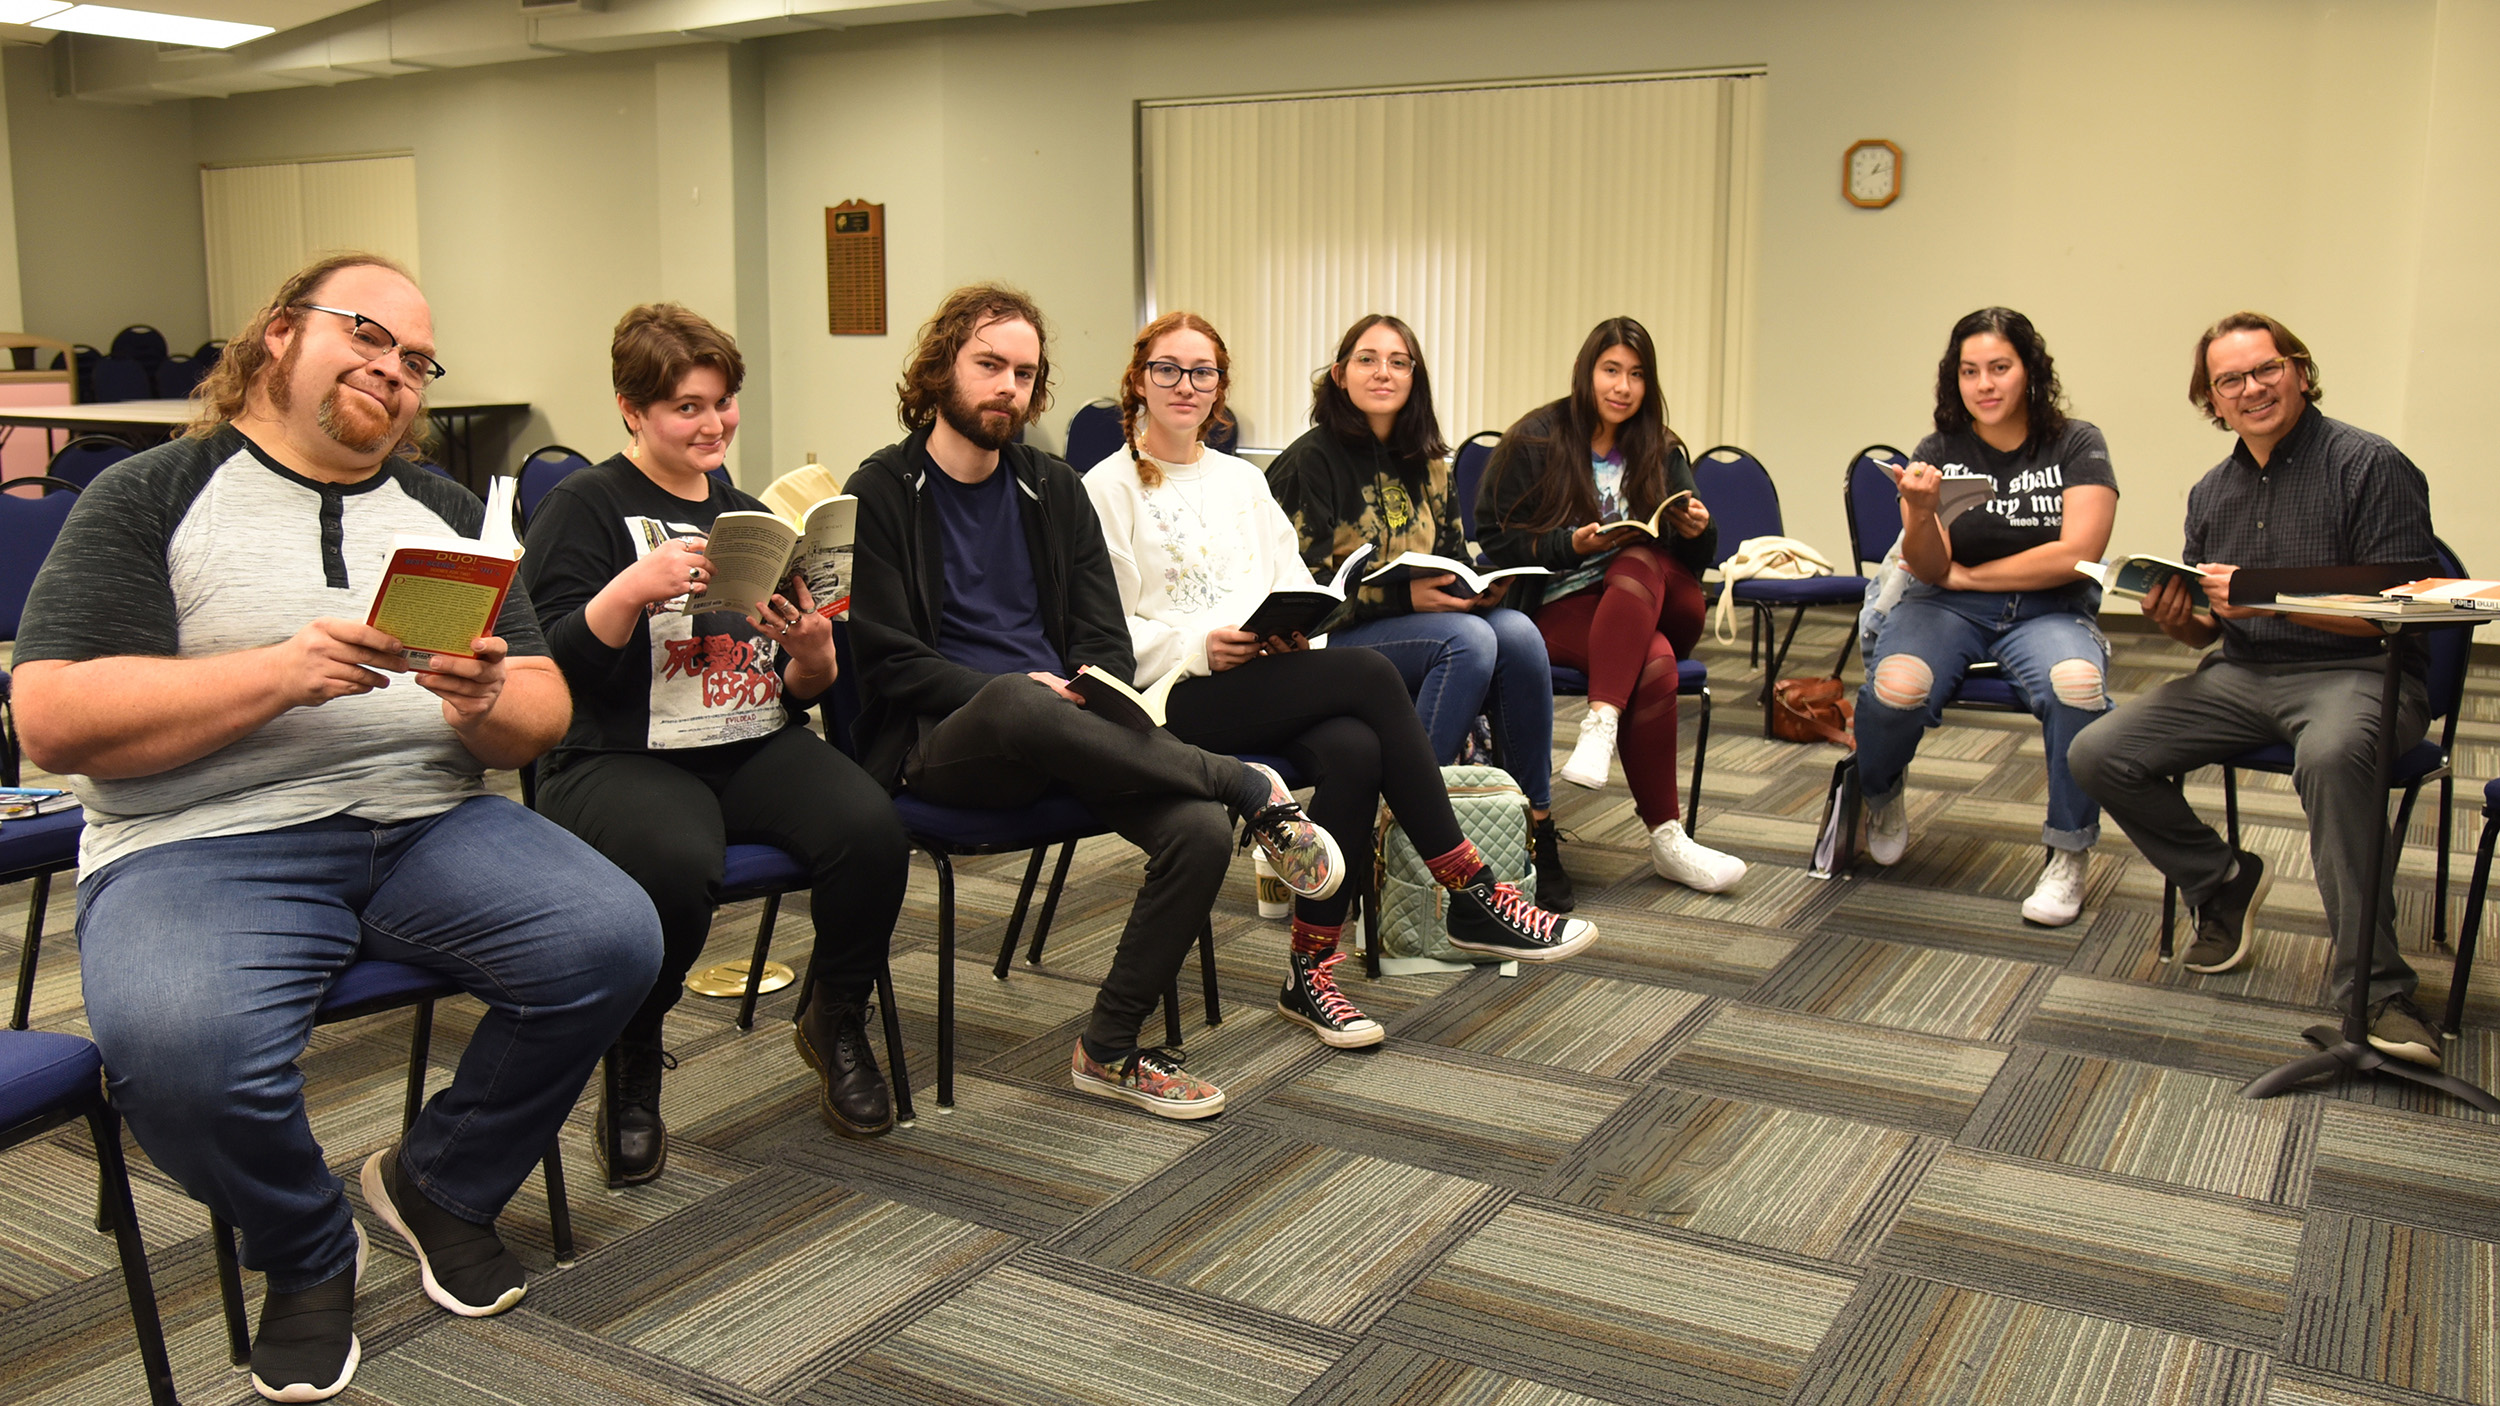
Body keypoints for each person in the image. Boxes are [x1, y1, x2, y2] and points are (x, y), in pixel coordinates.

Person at [9, 253, 662, 1403]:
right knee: (182, 1054)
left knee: (613, 937)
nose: (396, 371)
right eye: (368, 333)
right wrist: (275, 674)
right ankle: (306, 1246)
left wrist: (482, 697)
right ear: (277, 333)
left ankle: (439, 1182)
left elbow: (544, 709)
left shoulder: (447, 512)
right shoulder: (152, 493)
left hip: (425, 823)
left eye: (417, 359)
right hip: (201, 842)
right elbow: (52, 717)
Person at [847, 285, 1345, 1121]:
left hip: (1070, 733)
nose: (1008, 386)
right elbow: (890, 661)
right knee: (1016, 699)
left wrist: (1084, 688)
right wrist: (1026, 693)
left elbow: (1104, 639)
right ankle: (1241, 782)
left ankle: (1108, 1048)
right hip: (948, 744)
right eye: (989, 365)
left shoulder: (1050, 485)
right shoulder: (885, 489)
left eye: (1024, 372)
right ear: (941, 369)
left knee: (1191, 830)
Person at [1083, 312, 1597, 1046]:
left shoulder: (1241, 482)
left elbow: (1293, 578)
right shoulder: (1107, 489)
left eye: (1202, 372)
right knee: (1364, 671)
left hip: (1261, 679)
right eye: (1167, 369)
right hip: (1175, 695)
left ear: (1220, 387)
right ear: (1139, 380)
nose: (1185, 386)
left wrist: (1292, 629)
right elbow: (1103, 636)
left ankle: (1309, 974)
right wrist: (1204, 644)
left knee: (1356, 746)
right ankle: (1472, 890)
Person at [520, 304, 910, 1183]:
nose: (712, 424)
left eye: (722, 402)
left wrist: (812, 656)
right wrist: (627, 594)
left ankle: (834, 1017)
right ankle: (633, 1057)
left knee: (872, 831)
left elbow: (792, 686)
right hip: (618, 752)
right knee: (673, 861)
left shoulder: (745, 515)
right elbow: (545, 665)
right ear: (632, 410)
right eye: (686, 407)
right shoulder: (584, 507)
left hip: (744, 735)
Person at [2070, 311, 2445, 1063]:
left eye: (2265, 369)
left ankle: (2378, 995)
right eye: (2229, 380)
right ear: (2212, 400)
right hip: (2242, 674)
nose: (2251, 388)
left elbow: (2400, 612)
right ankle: (2223, 882)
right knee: (2097, 750)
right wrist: (2177, 615)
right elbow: (2212, 631)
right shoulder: (2212, 493)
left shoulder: (2370, 465)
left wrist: (2270, 597)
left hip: (2365, 674)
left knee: (2335, 758)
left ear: (2299, 370)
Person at [1266, 315, 1577, 908]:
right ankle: (1403, 833)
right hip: (1334, 643)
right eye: (1367, 358)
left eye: (1399, 361)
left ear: (1416, 377)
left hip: (1426, 625)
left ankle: (1537, 824)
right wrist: (1402, 598)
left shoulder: (1430, 460)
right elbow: (1298, 591)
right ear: (1339, 374)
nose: (1383, 371)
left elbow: (1455, 555)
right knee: (1471, 640)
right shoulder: (1311, 461)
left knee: (1516, 633)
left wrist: (1482, 586)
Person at [1851, 308, 2118, 926]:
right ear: (1955, 379)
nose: (1985, 384)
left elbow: (2079, 552)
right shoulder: (1937, 450)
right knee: (1896, 689)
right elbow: (1927, 565)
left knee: (2078, 685)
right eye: (1970, 371)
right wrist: (1919, 513)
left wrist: (1971, 575)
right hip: (1943, 605)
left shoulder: (2077, 442)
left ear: (2029, 371)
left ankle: (2068, 853)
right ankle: (1882, 791)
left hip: (2049, 610)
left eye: (2000, 367)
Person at [1476, 316, 1748, 893]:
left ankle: (1602, 720)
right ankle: (1668, 838)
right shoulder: (1537, 439)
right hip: (1566, 604)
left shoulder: (1661, 446)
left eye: (1636, 375)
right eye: (1611, 371)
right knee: (1652, 662)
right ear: (1586, 372)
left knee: (1639, 559)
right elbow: (1495, 538)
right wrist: (1567, 544)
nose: (1622, 387)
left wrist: (1698, 527)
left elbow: (1696, 561)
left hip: (1665, 601)